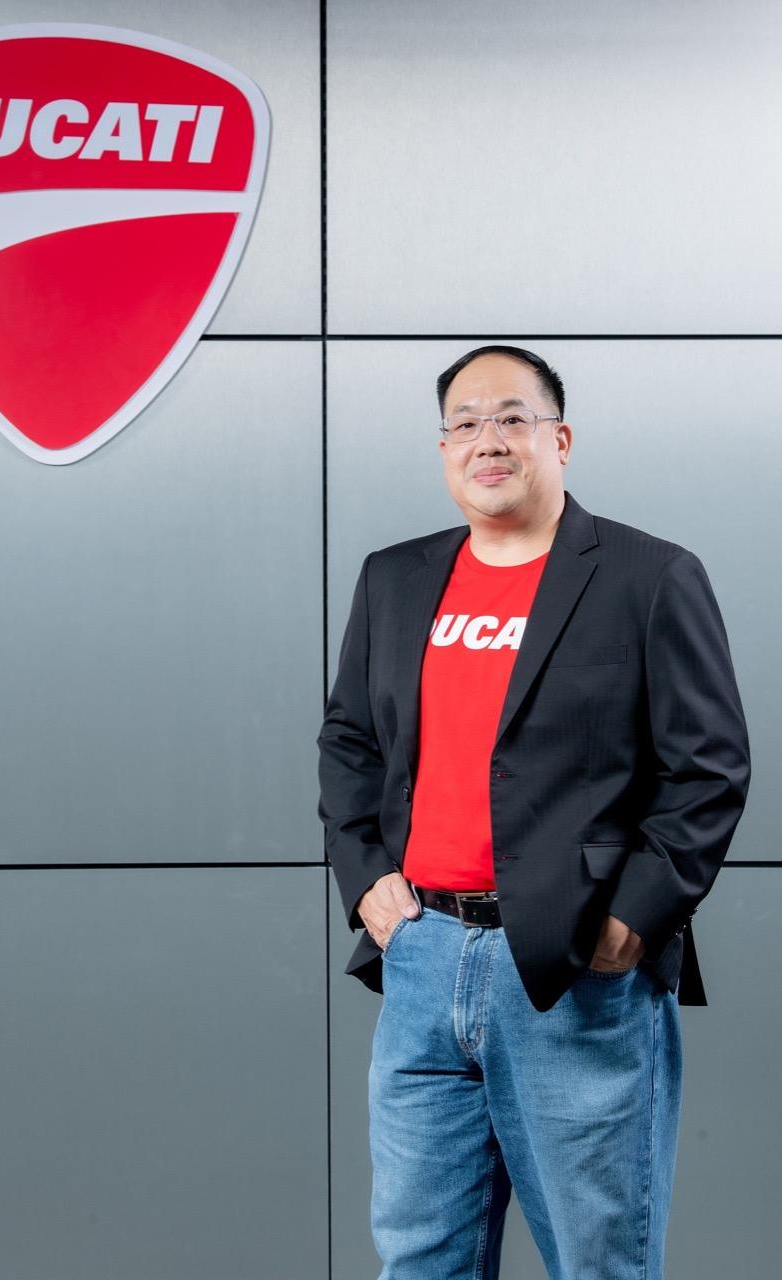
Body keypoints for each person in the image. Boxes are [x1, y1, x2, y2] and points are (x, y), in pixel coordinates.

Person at [316, 345, 751, 1280]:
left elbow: (709, 769)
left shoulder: (648, 576)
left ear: (560, 439)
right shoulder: (393, 580)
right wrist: (365, 881)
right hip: (422, 959)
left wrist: (634, 918)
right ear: (444, 449)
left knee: (600, 1263)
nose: (489, 439)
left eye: (513, 418)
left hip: (573, 969)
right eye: (466, 423)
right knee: (419, 1262)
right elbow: (349, 742)